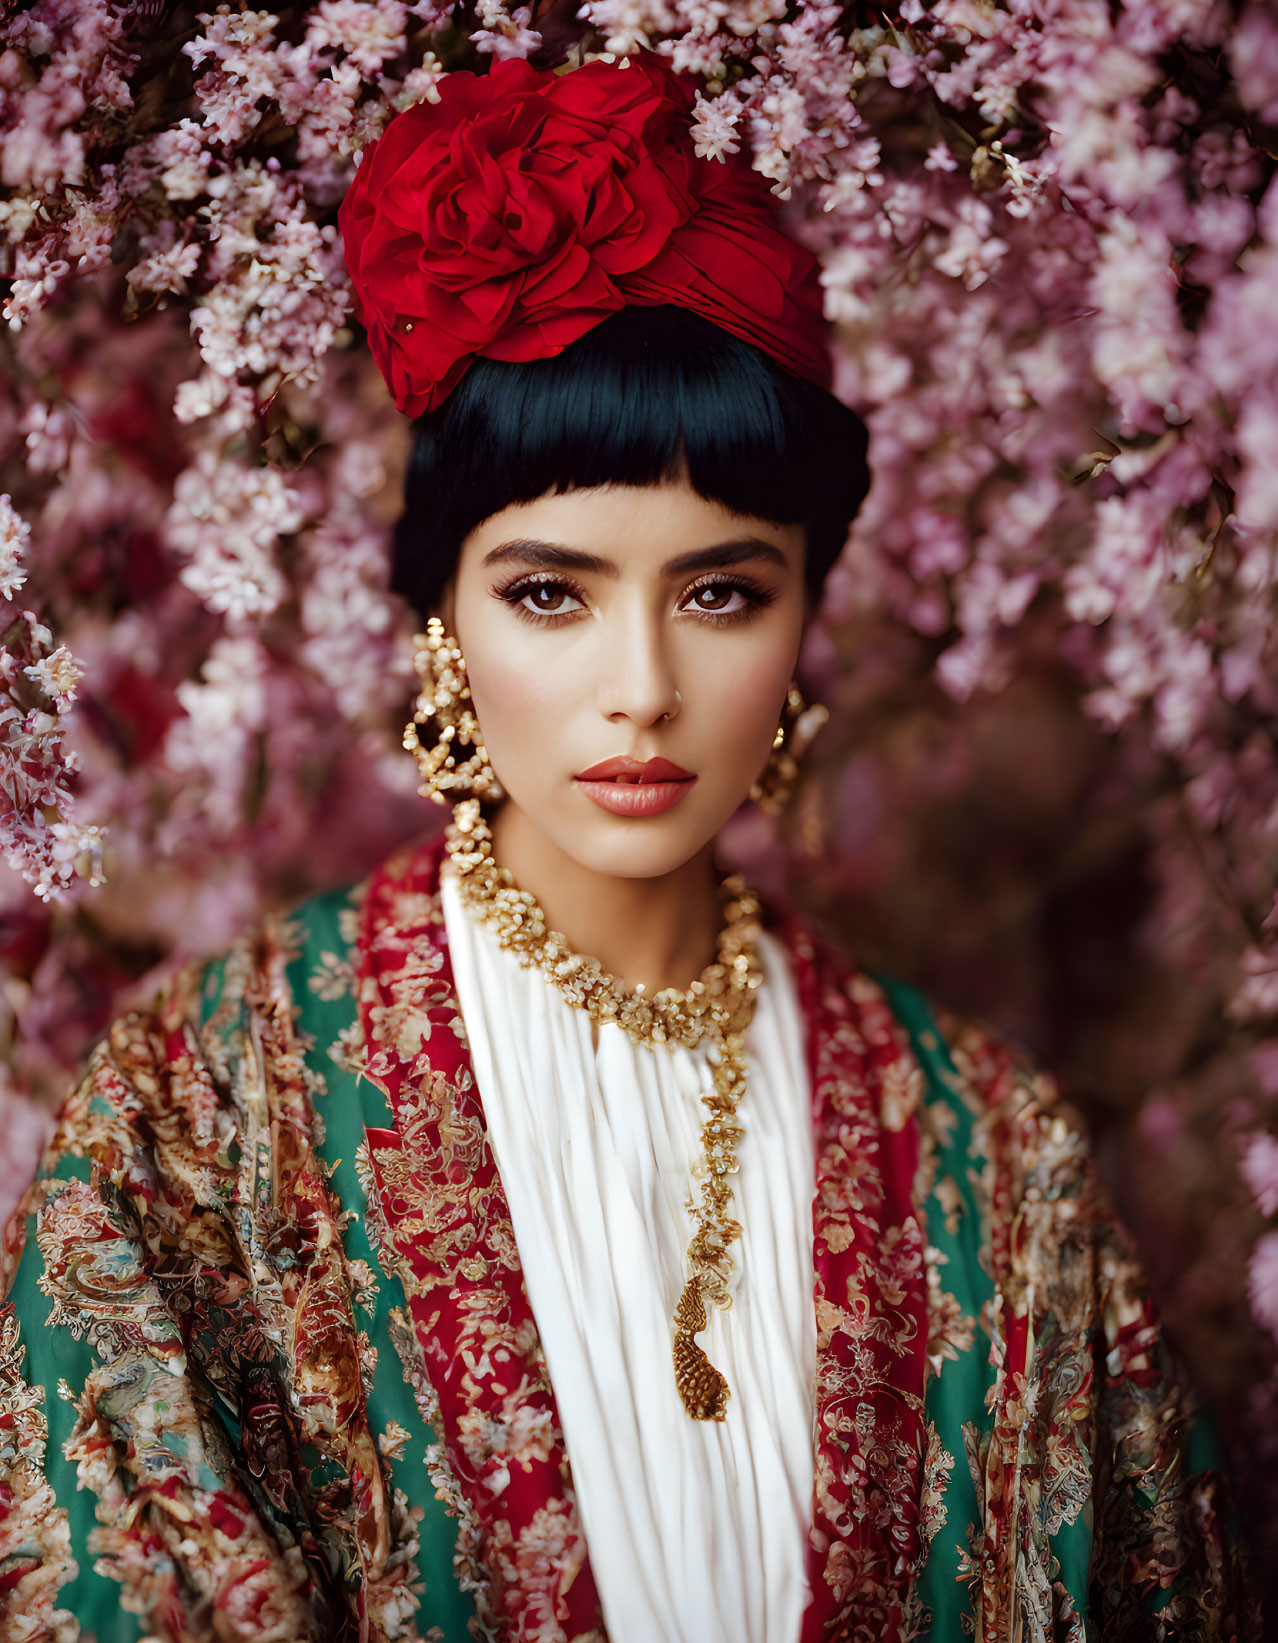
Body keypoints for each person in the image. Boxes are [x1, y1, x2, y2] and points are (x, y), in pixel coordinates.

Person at [0, 48, 1257, 1643]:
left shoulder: (991, 1154)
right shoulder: (193, 1119)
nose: (645, 688)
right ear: (440, 617)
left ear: (807, 619)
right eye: (550, 593)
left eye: (722, 592)